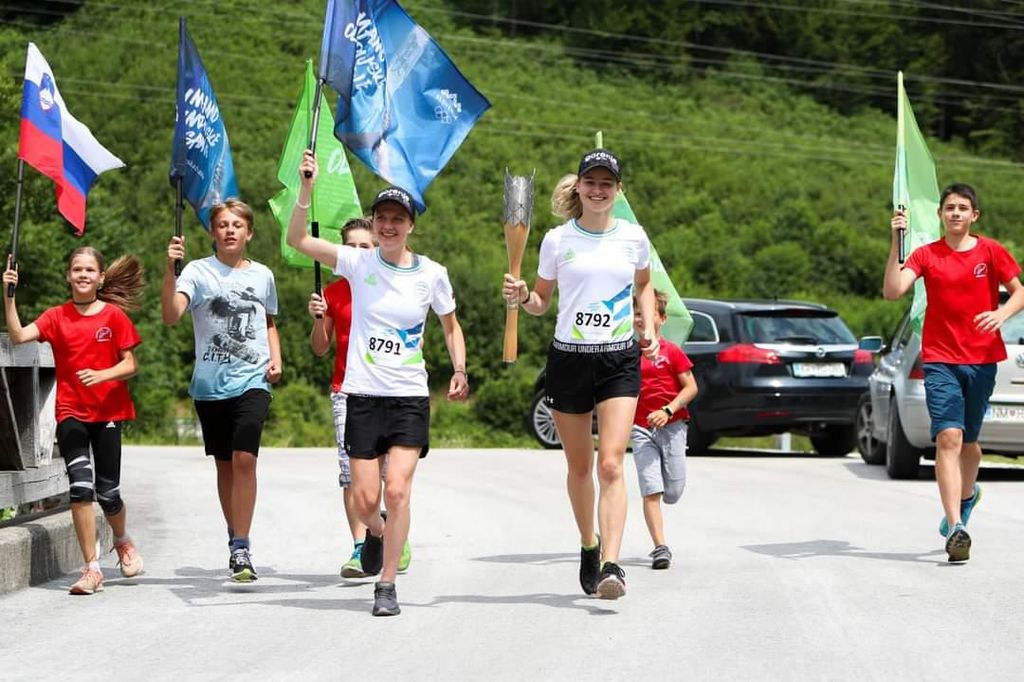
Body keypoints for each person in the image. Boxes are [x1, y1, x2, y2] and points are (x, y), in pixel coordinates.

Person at [287, 150, 468, 616]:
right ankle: (379, 532)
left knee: (398, 491)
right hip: (363, 396)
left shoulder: (432, 274)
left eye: (397, 219)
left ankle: (386, 584)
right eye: (382, 218)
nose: (389, 226)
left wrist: (459, 369)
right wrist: (306, 188)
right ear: (373, 222)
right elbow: (297, 239)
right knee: (367, 500)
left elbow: (450, 326)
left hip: (408, 397)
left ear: (411, 225)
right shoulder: (357, 263)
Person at [503, 148, 659, 599]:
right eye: (591, 182)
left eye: (606, 183)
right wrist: (522, 296)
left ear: (618, 190)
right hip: (569, 358)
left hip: (618, 359)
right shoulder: (557, 240)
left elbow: (644, 284)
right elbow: (541, 302)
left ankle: (612, 564)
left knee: (611, 463)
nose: (598, 190)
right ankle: (589, 543)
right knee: (579, 466)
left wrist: (648, 324)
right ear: (580, 187)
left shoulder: (633, 237)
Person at [884, 183, 1024, 562]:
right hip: (940, 359)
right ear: (940, 215)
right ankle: (956, 527)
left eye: (963, 208)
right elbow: (893, 291)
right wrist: (896, 241)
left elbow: (1020, 292)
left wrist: (1001, 314)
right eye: (949, 208)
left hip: (981, 359)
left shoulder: (991, 251)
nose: (956, 213)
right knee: (948, 437)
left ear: (974, 215)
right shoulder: (927, 254)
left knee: (969, 443)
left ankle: (967, 496)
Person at [3, 248, 145, 595]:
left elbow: (130, 364)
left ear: (100, 278)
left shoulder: (113, 317)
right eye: (77, 269)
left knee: (108, 493)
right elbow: (19, 336)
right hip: (71, 412)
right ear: (68, 276)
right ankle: (92, 569)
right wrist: (9, 295)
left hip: (108, 412)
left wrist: (102, 374)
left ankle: (122, 541)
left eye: (89, 270)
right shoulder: (56, 316)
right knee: (80, 489)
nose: (83, 274)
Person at [161, 199, 282, 582]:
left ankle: (242, 546)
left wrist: (276, 358)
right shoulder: (196, 271)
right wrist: (170, 270)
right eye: (223, 225)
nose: (230, 230)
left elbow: (269, 321)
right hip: (210, 386)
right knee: (225, 464)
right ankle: (235, 535)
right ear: (213, 232)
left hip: (253, 380)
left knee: (245, 458)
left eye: (237, 225)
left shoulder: (262, 275)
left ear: (250, 233)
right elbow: (171, 316)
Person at [307, 217, 412, 578]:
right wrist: (319, 318)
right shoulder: (333, 293)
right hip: (347, 391)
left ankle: (393, 532)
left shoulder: (392, 286)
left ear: (376, 248)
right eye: (349, 246)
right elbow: (320, 348)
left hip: (390, 391)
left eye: (364, 246)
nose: (356, 252)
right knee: (351, 475)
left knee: (389, 476)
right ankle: (360, 545)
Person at [631, 290, 698, 570]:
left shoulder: (672, 352)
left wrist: (668, 410)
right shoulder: (628, 354)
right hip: (641, 428)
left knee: (673, 491)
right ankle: (660, 547)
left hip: (673, 427)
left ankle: (668, 490)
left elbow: (691, 388)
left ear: (661, 318)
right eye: (636, 314)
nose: (640, 319)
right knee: (651, 490)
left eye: (647, 314)